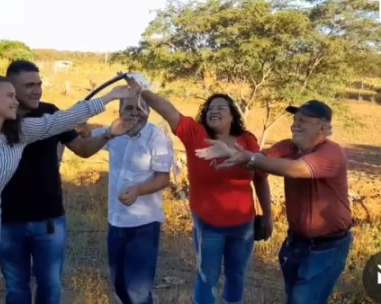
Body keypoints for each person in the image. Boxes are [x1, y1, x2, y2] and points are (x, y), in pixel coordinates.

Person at [0, 60, 137, 304]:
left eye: (37, 84)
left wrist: (110, 97)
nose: (17, 100)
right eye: (11, 94)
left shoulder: (21, 131)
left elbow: (60, 120)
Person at [125, 75, 273, 304]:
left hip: (243, 226)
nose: (214, 111)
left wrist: (268, 217)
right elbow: (168, 110)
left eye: (221, 107)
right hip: (209, 227)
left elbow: (261, 178)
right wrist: (142, 91)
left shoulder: (247, 140)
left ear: (233, 116)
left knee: (237, 274)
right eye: (210, 108)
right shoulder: (194, 133)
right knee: (207, 277)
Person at [198, 100, 353, 304]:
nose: (294, 125)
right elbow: (260, 161)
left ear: (323, 128)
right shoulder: (289, 146)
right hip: (296, 241)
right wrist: (237, 155)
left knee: (303, 299)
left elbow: (295, 169)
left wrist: (248, 158)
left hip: (327, 246)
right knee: (294, 297)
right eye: (295, 120)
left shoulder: (331, 152)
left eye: (303, 121)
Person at [78, 95, 174, 304]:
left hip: (144, 224)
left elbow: (163, 178)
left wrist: (139, 190)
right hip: (116, 221)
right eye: (129, 108)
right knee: (119, 284)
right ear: (119, 111)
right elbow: (87, 137)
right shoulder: (115, 132)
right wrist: (81, 120)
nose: (135, 113)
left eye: (141, 108)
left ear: (149, 111)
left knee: (137, 290)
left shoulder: (156, 137)